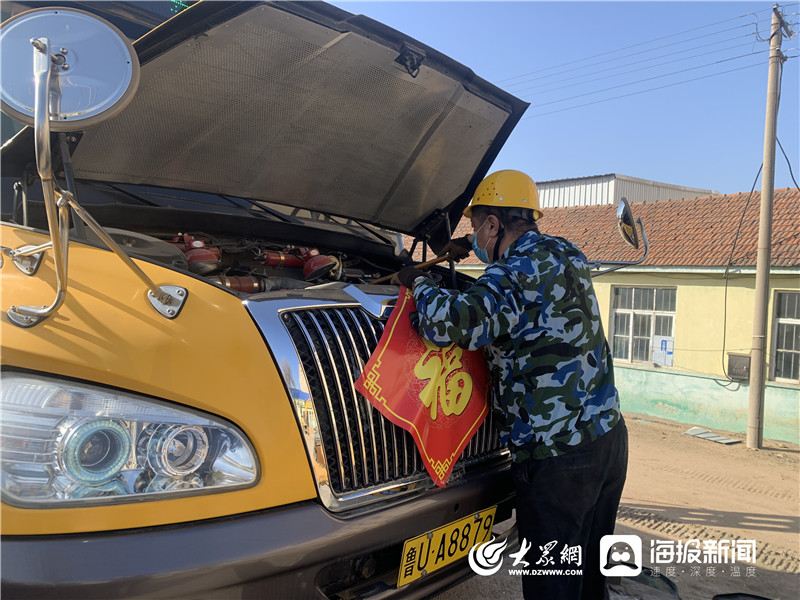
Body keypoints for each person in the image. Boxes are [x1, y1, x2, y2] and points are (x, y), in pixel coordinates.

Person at [392, 170, 628, 600]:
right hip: (608, 439)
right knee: (590, 576)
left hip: (556, 458)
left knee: (553, 583)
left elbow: (447, 324)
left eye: (477, 226)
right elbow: (519, 289)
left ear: (493, 223)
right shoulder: (568, 252)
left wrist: (419, 282)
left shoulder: (510, 275)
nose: (476, 238)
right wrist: (467, 249)